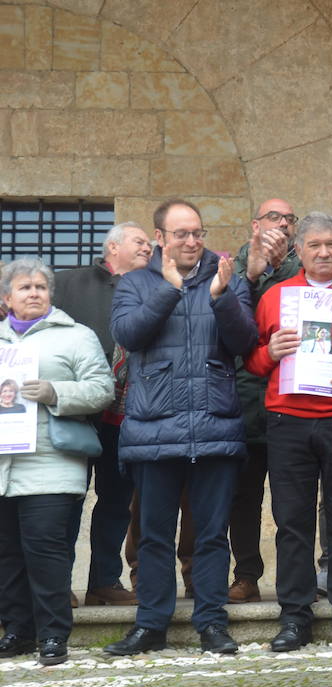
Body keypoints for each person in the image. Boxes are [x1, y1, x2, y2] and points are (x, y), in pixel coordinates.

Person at [104, 199, 256, 657]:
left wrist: (222, 297)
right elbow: (128, 335)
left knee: (211, 534)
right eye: (181, 234)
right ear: (160, 238)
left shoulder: (228, 278)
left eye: (198, 232)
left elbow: (245, 342)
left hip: (215, 425)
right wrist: (169, 290)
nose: (192, 241)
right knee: (153, 535)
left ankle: (212, 623)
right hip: (154, 427)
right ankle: (151, 624)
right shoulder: (135, 282)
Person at [244, 212, 332, 652]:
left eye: (331, 244)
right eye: (315, 245)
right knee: (292, 522)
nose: (324, 253)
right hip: (287, 419)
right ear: (299, 251)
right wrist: (268, 352)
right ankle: (294, 617)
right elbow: (252, 362)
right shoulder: (275, 296)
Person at [0, 258, 114, 666]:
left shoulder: (76, 336)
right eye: (24, 287)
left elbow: (102, 389)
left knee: (46, 552)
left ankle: (52, 634)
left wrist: (54, 392)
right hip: (3, 466)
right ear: (6, 298)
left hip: (51, 464)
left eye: (41, 287)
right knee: (7, 555)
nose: (34, 293)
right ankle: (17, 630)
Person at [53, 221, 152, 606]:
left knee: (116, 504)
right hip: (78, 415)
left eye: (149, 243)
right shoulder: (69, 282)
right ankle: (58, 585)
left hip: (127, 418)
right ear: (113, 247)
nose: (147, 248)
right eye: (139, 241)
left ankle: (104, 582)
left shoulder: (152, 288)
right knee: (68, 502)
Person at [227, 198, 301, 605]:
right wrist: (252, 274)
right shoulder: (233, 267)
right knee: (244, 498)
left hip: (291, 399)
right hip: (243, 398)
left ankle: (298, 578)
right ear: (255, 225)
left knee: (293, 500)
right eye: (275, 217)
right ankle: (246, 575)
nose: (283, 224)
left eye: (290, 219)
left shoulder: (302, 271)